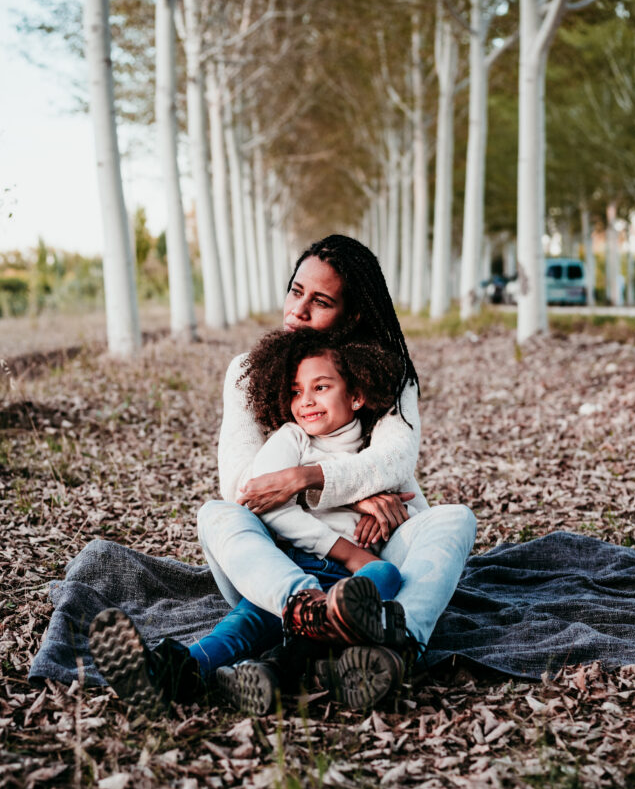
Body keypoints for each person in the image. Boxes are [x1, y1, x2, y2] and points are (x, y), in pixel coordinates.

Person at [88, 327, 415, 712]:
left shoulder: (373, 452)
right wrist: (346, 550)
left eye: (321, 387)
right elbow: (264, 502)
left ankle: (276, 668)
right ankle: (171, 670)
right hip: (286, 572)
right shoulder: (292, 439)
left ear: (357, 396)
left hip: (349, 591)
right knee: (242, 624)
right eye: (296, 391)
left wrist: (360, 499)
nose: (305, 401)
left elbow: (391, 485)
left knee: (387, 576)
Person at [198, 235, 477, 679]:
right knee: (217, 514)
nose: (298, 311)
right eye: (295, 291)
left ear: (353, 314)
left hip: (377, 561)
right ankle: (308, 610)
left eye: (321, 301)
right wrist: (355, 495)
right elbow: (243, 489)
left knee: (457, 518)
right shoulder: (245, 373)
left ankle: (397, 646)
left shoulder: (389, 374)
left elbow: (394, 463)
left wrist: (304, 478)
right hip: (276, 568)